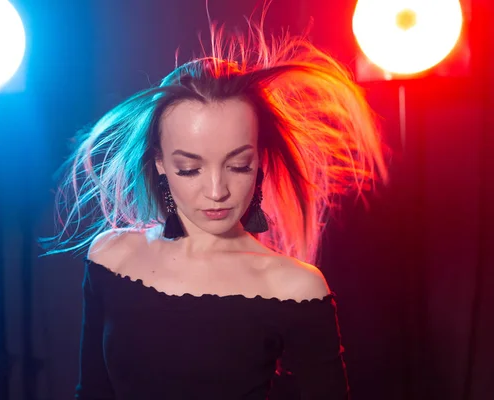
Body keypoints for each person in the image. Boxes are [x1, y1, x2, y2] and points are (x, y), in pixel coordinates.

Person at [42, 17, 388, 400]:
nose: (216, 191)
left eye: (238, 165)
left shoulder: (293, 287)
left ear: (260, 161)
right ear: (159, 163)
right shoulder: (112, 256)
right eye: (189, 169)